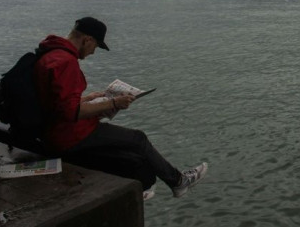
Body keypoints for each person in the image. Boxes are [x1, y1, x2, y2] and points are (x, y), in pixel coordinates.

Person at [33, 16, 207, 199]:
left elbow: (56, 102)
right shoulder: (66, 62)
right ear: (87, 40)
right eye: (96, 46)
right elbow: (71, 112)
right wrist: (113, 103)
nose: (93, 52)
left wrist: (87, 99)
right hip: (66, 136)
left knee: (132, 146)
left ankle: (153, 185)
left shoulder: (50, 53)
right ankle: (178, 182)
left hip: (52, 129)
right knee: (137, 139)